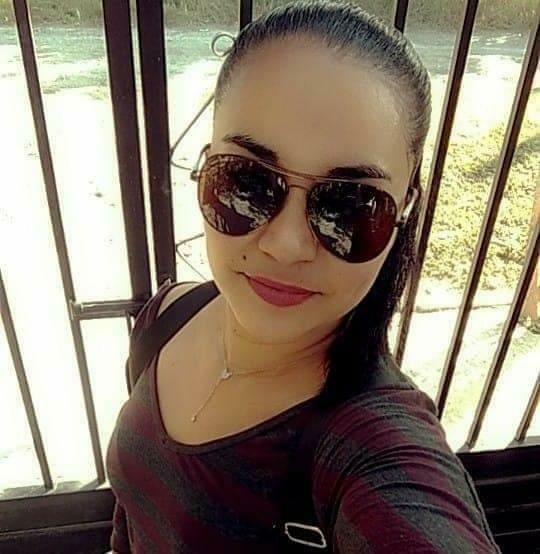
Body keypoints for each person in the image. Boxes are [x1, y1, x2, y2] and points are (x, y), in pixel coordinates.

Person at [106, 2, 501, 552]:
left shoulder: (373, 448)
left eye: (349, 205)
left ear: (405, 209)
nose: (287, 245)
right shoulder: (169, 316)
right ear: (203, 166)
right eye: (246, 181)